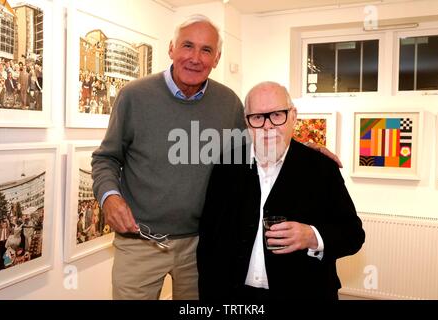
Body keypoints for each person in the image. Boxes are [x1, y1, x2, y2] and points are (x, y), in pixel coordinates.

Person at [92, 15, 340, 300]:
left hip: (200, 243)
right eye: (187, 46)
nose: (195, 58)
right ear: (171, 48)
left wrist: (305, 149)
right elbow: (106, 158)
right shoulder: (133, 96)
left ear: (217, 58)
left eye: (206, 50)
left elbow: (258, 143)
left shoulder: (229, 102)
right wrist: (110, 197)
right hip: (140, 241)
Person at [197, 82, 365, 301]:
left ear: (293, 116)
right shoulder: (226, 166)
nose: (268, 126)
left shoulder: (322, 168)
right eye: (258, 117)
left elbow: (353, 235)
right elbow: (209, 239)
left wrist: (312, 236)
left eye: (277, 115)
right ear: (247, 122)